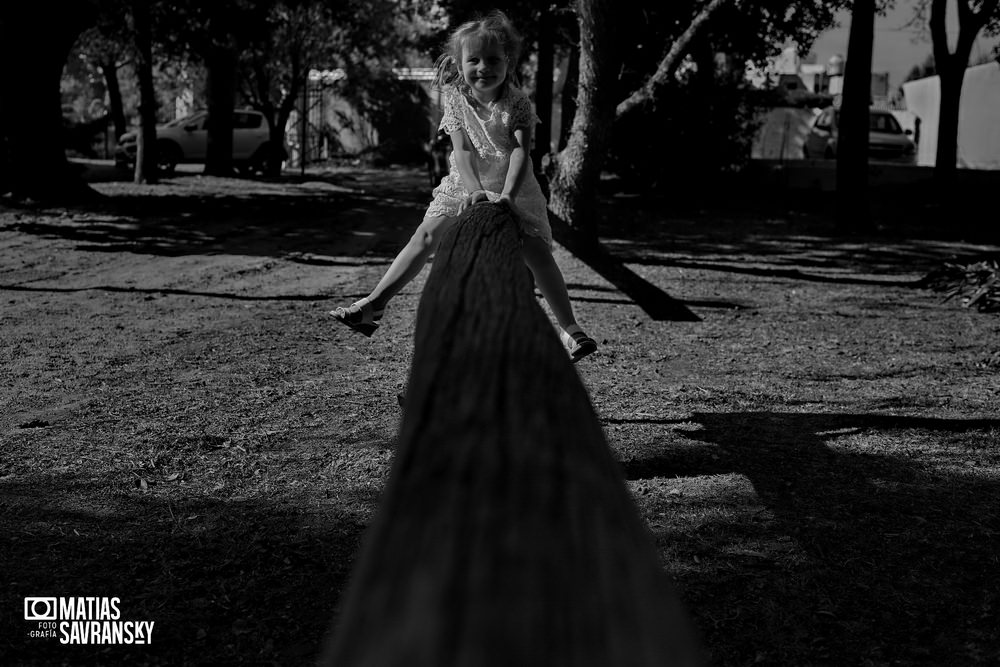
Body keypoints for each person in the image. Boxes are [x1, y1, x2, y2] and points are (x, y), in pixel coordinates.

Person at [330, 10, 597, 363]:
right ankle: (374, 304)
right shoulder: (456, 99)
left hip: (513, 185)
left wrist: (506, 197)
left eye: (493, 59)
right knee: (425, 236)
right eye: (474, 60)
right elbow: (463, 151)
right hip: (465, 183)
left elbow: (520, 153)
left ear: (508, 61)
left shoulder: (516, 101)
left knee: (536, 252)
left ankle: (568, 328)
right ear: (460, 63)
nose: (484, 67)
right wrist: (473, 193)